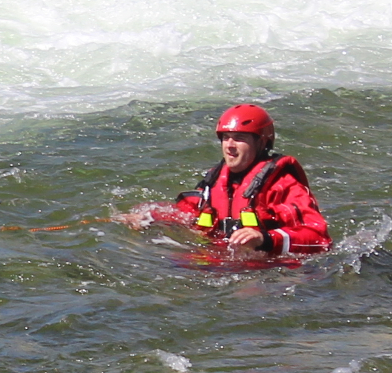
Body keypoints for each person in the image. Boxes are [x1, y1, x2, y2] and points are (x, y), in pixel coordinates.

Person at [114, 104, 330, 258]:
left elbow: (319, 238)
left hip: (269, 272)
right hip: (218, 261)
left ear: (262, 142)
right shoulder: (215, 179)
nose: (229, 145)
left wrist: (264, 238)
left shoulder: (283, 184)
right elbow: (188, 212)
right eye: (226, 138)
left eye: (240, 138)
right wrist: (149, 217)